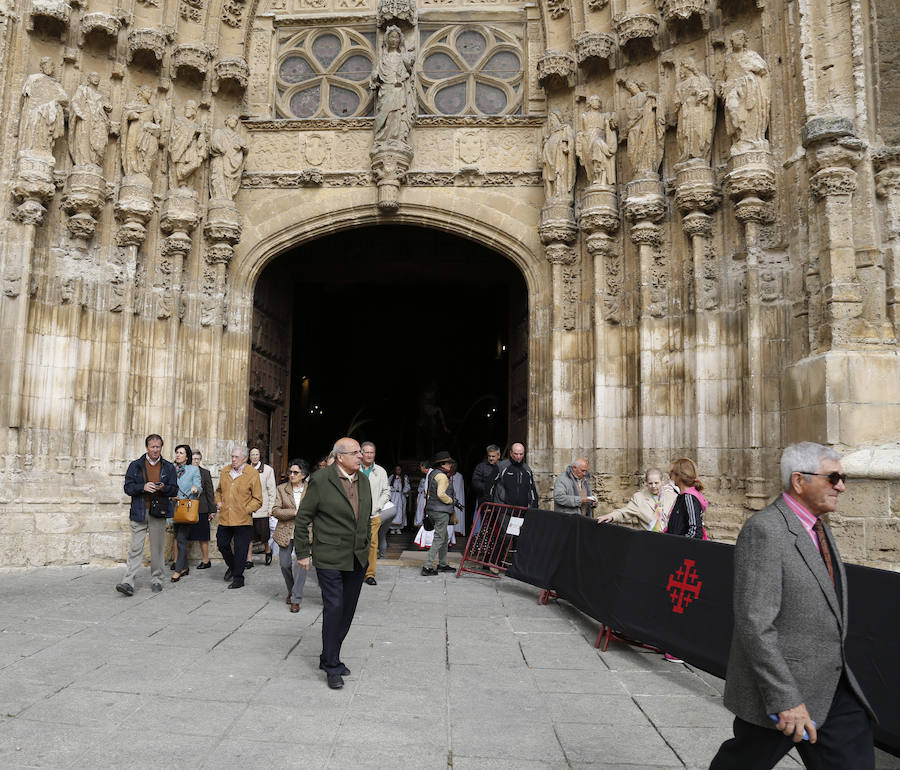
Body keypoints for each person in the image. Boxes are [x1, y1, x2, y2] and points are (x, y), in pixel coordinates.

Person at [710, 442, 876, 769]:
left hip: (831, 684)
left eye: (842, 478)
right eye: (833, 478)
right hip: (783, 689)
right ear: (799, 481)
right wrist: (786, 698)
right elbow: (755, 624)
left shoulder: (819, 526)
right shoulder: (766, 531)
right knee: (745, 760)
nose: (841, 486)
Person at [295, 437, 372, 690]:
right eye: (356, 452)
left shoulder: (364, 480)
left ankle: (328, 654)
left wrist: (367, 545)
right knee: (334, 607)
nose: (361, 456)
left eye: (361, 452)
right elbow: (303, 517)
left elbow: (365, 517)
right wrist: (303, 553)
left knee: (347, 610)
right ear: (340, 457)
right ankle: (331, 665)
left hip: (357, 556)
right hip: (329, 556)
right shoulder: (320, 480)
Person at [117, 434, 179, 596]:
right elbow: (128, 488)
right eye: (152, 447)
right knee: (135, 548)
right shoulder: (136, 465)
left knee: (157, 548)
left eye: (158, 447)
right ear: (147, 448)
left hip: (158, 512)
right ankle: (128, 581)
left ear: (161, 448)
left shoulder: (168, 467)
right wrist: (143, 487)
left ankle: (157, 579)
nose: (155, 450)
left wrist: (163, 488)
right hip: (139, 511)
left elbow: (174, 489)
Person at [215, 446, 262, 589]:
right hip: (225, 517)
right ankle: (233, 566)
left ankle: (238, 578)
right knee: (222, 544)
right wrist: (218, 502)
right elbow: (218, 491)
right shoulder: (225, 471)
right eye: (232, 456)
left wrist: (246, 510)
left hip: (243, 519)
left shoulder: (252, 473)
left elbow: (258, 499)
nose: (233, 459)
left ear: (244, 459)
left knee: (241, 550)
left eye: (236, 457)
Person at [272, 458, 310, 613]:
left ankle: (296, 598)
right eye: (290, 472)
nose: (292, 475)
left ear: (304, 474)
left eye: (296, 472)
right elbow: (275, 510)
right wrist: (293, 512)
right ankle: (292, 589)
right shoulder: (282, 489)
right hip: (285, 531)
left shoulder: (311, 489)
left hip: (306, 531)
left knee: (301, 566)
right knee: (285, 564)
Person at [596, 468, 676, 531]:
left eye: (656, 483)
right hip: (648, 539)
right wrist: (611, 516)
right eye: (650, 483)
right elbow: (625, 511)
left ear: (662, 482)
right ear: (646, 483)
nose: (653, 486)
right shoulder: (639, 497)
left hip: (668, 538)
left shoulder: (672, 497)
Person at [421, 451, 459, 576]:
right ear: (443, 464)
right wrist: (451, 501)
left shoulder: (433, 473)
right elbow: (441, 494)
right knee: (439, 538)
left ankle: (442, 563)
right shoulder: (442, 476)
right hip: (441, 511)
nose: (450, 465)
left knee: (444, 537)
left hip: (432, 509)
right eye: (448, 463)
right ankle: (427, 566)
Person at [360, 441, 390, 586]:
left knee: (372, 545)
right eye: (367, 452)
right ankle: (356, 572)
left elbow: (386, 491)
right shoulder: (355, 468)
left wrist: (378, 506)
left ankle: (370, 574)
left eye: (372, 452)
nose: (370, 455)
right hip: (356, 515)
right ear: (361, 453)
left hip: (374, 515)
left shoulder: (380, 471)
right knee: (356, 543)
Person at [170, 444, 201, 582]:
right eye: (177, 452)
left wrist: (196, 488)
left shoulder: (193, 469)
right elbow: (168, 485)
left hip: (187, 508)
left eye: (181, 453)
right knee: (177, 536)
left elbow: (199, 485)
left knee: (181, 539)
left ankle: (178, 569)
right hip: (174, 507)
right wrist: (170, 495)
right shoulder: (171, 469)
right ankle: (185, 567)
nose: (178, 455)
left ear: (187, 456)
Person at [247, 447, 276, 568]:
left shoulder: (268, 470)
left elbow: (272, 490)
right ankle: (249, 560)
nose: (254, 456)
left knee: (264, 535)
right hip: (248, 508)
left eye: (256, 454)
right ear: (249, 456)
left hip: (262, 509)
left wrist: (271, 509)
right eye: (252, 454)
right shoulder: (245, 469)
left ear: (260, 456)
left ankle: (268, 551)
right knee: (248, 536)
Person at [664, 457, 707, 539]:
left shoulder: (689, 497)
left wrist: (680, 546)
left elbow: (695, 531)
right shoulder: (682, 496)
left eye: (672, 472)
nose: (670, 476)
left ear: (679, 477)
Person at [189, 449, 216, 568]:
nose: (195, 461)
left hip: (202, 508)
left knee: (203, 536)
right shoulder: (184, 471)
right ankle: (178, 561)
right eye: (193, 459)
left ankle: (206, 561)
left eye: (197, 459)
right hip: (187, 508)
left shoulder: (205, 473)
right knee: (182, 535)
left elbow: (210, 492)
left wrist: (212, 510)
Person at [490, 443, 538, 508]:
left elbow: (532, 489)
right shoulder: (501, 466)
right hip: (503, 509)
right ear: (511, 453)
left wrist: (534, 506)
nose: (518, 457)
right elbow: (490, 486)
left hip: (522, 510)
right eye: (516, 454)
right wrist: (489, 506)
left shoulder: (527, 469)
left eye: (521, 454)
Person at [471, 444, 501, 511]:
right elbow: (475, 482)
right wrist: (488, 488)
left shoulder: (503, 466)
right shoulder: (481, 467)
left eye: (493, 456)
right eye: (489, 456)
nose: (490, 458)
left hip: (500, 502)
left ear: (498, 456)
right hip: (485, 501)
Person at [388, 464, 410, 535]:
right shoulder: (391, 477)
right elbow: (387, 486)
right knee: (393, 511)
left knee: (401, 511)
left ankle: (398, 528)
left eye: (399, 469)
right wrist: (392, 489)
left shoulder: (404, 477)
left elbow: (408, 487)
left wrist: (403, 491)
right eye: (396, 469)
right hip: (393, 496)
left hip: (401, 496)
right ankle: (392, 528)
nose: (398, 471)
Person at [414, 460, 429, 527]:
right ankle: (420, 523)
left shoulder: (431, 476)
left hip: (428, 496)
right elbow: (419, 488)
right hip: (422, 496)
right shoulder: (423, 479)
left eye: (420, 467)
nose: (420, 469)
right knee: (420, 510)